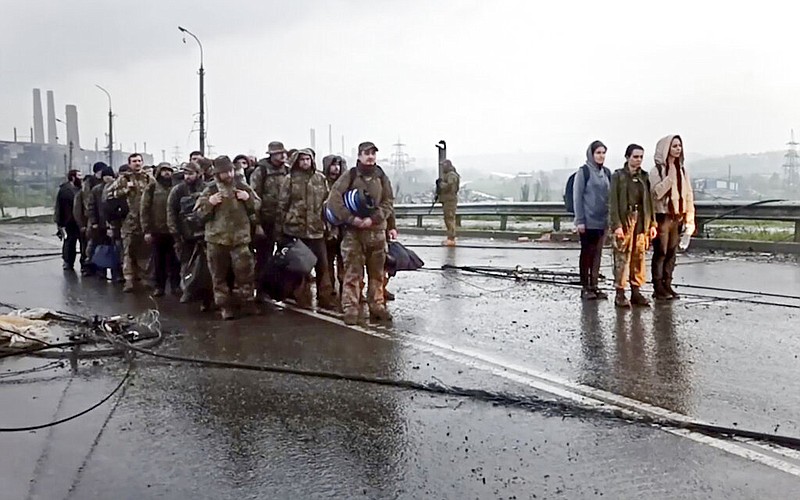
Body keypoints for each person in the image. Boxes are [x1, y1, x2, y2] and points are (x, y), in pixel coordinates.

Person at [326, 141, 394, 325]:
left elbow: (388, 201)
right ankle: (351, 308)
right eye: (366, 153)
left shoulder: (381, 175)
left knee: (377, 273)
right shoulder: (350, 175)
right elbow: (334, 198)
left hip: (377, 232)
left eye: (373, 153)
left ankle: (377, 306)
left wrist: (375, 219)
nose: (370, 156)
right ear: (359, 156)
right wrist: (351, 219)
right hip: (353, 234)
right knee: (353, 273)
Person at [195, 156, 260, 320]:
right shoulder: (210, 190)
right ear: (217, 173)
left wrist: (248, 199)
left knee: (245, 274)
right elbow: (198, 214)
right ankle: (224, 307)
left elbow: (258, 205)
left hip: (240, 239)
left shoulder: (241, 186)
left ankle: (248, 303)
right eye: (225, 172)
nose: (229, 175)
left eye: (231, 170)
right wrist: (210, 203)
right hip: (217, 240)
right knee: (219, 276)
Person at [276, 149, 336, 310]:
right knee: (300, 267)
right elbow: (282, 205)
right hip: (296, 230)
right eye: (302, 159)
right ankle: (299, 296)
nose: (305, 162)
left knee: (323, 266)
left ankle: (325, 297)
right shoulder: (290, 179)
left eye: (307, 159)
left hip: (317, 230)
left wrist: (330, 227)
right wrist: (280, 230)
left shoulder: (320, 178)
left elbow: (328, 204)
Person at [609, 144, 658, 308]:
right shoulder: (618, 176)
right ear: (627, 157)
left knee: (639, 256)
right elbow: (613, 202)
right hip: (625, 219)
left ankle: (636, 291)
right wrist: (616, 225)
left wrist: (652, 223)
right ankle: (620, 292)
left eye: (641, 157)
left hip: (641, 220)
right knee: (622, 256)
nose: (638, 160)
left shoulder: (644, 177)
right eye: (635, 157)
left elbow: (649, 202)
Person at [650, 135, 695, 300]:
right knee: (660, 252)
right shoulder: (657, 171)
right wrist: (669, 177)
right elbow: (656, 194)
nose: (678, 149)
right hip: (662, 216)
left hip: (677, 216)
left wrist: (690, 220)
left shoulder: (683, 170)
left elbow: (688, 195)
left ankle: (667, 284)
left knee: (671, 252)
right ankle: (658, 286)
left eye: (679, 146)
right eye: (674, 146)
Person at [573, 140, 611, 300]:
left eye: (603, 153)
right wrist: (579, 220)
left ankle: (594, 284)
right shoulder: (584, 172)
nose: (601, 156)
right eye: (598, 153)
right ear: (591, 154)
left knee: (597, 254)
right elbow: (578, 197)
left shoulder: (606, 173)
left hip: (603, 221)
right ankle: (585, 286)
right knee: (587, 254)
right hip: (588, 221)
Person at [108, 153, 152, 292]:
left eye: (139, 161)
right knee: (128, 251)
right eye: (134, 161)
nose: (137, 163)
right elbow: (109, 194)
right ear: (129, 163)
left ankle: (144, 278)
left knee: (144, 252)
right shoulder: (124, 179)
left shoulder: (149, 178)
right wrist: (125, 189)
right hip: (128, 221)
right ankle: (129, 280)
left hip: (144, 221)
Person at [251, 141, 289, 297]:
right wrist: (257, 224)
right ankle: (260, 289)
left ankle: (281, 289)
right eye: (279, 153)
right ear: (271, 155)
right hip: (266, 220)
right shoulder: (260, 172)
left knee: (285, 257)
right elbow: (253, 199)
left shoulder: (287, 171)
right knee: (264, 257)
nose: (282, 156)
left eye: (283, 153)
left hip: (284, 221)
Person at [141, 163, 180, 297]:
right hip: (157, 230)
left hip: (173, 230)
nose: (167, 173)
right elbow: (145, 209)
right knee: (159, 261)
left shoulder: (176, 187)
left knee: (175, 260)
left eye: (169, 171)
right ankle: (159, 286)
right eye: (164, 171)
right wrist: (147, 230)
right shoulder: (152, 188)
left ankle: (175, 286)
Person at [167, 161, 205, 299]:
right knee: (186, 264)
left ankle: (204, 292)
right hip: (185, 235)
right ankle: (187, 291)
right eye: (185, 173)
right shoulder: (178, 191)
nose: (187, 177)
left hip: (203, 234)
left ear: (199, 174)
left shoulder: (206, 189)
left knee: (204, 265)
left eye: (191, 173)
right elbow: (171, 212)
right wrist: (175, 234)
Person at [87, 165, 123, 281]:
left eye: (110, 176)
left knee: (116, 248)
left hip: (115, 223)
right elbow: (91, 207)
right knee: (102, 247)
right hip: (101, 224)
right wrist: (94, 222)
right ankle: (101, 270)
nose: (108, 178)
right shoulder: (97, 190)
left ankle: (116, 273)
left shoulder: (117, 188)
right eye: (106, 176)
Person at [77, 161, 107, 276]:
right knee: (90, 244)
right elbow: (83, 205)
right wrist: (83, 223)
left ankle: (100, 268)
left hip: (103, 219)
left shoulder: (105, 184)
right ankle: (87, 266)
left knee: (102, 245)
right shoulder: (88, 185)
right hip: (91, 219)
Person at [322, 155, 345, 296]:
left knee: (344, 259)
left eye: (338, 165)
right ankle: (329, 288)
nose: (336, 168)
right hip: (327, 228)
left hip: (343, 227)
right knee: (328, 260)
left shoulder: (345, 183)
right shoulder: (321, 182)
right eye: (333, 165)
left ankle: (345, 286)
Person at [54, 169, 82, 271]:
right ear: (73, 177)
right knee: (69, 243)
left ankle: (84, 264)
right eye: (79, 175)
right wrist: (59, 222)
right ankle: (68, 262)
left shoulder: (81, 189)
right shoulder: (65, 190)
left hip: (80, 220)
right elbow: (59, 207)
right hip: (69, 221)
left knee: (83, 242)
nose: (81, 177)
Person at [438, 159, 460, 246]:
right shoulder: (447, 175)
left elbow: (451, 187)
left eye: (443, 165)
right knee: (447, 219)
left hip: (450, 200)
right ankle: (450, 238)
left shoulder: (451, 175)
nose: (442, 168)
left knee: (450, 219)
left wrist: (441, 184)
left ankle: (451, 238)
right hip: (447, 200)